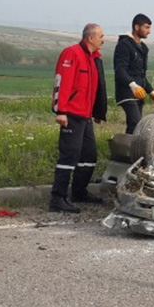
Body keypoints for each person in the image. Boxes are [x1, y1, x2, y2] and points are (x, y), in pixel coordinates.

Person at [49, 23, 108, 213]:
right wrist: (61, 111)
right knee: (69, 156)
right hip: (71, 114)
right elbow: (62, 82)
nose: (103, 39)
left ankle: (79, 191)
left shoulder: (93, 58)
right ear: (90, 38)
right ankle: (57, 198)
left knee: (89, 156)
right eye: (101, 36)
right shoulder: (72, 54)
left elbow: (96, 89)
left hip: (85, 115)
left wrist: (97, 112)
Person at [114, 13, 154, 134]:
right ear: (136, 27)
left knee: (136, 125)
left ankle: (128, 150)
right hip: (126, 91)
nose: (149, 31)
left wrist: (151, 91)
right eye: (146, 27)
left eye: (150, 28)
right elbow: (120, 70)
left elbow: (141, 74)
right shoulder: (124, 45)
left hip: (139, 93)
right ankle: (127, 150)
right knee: (136, 122)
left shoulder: (143, 48)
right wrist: (132, 85)